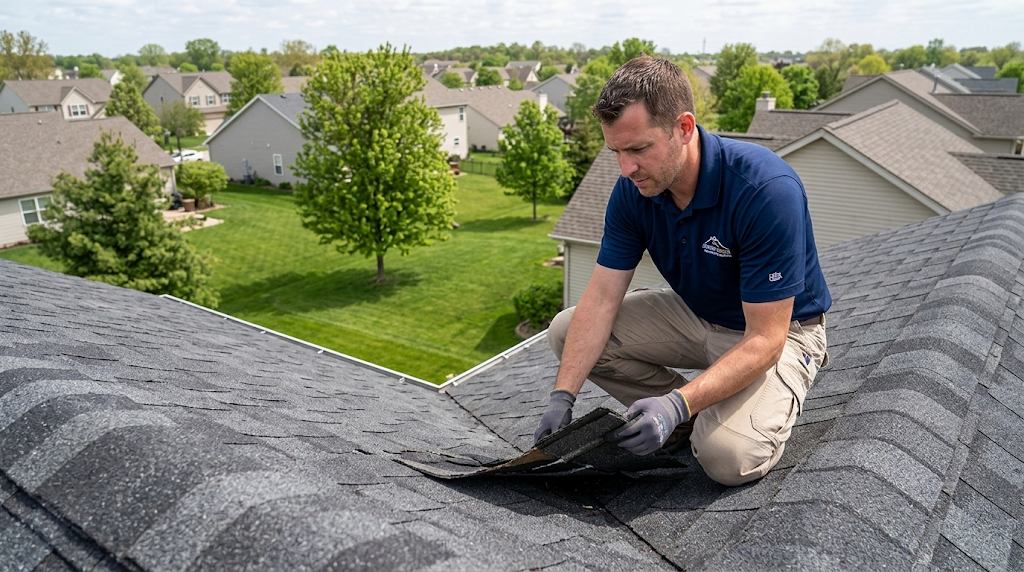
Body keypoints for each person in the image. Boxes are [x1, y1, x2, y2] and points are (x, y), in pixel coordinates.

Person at [533, 56, 831, 486]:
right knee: (566, 330)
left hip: (779, 331)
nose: (626, 168)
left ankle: (690, 414)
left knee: (727, 457)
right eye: (616, 151)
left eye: (638, 149)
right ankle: (689, 415)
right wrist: (562, 397)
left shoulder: (765, 190)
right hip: (698, 314)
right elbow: (600, 300)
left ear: (685, 128)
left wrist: (676, 403)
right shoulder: (634, 191)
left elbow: (766, 339)